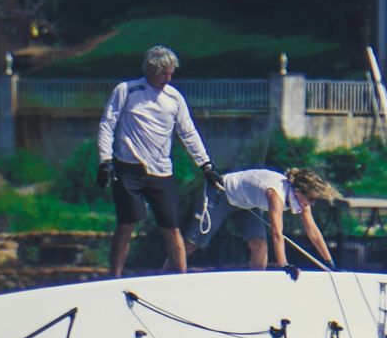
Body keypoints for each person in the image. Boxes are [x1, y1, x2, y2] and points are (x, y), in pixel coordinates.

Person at [96, 45, 221, 276]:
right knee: (127, 223)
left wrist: (206, 165)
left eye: (171, 73)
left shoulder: (174, 97)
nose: (169, 77)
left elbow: (188, 132)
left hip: (161, 171)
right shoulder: (127, 90)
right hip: (128, 169)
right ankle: (114, 276)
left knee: (171, 227)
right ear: (152, 70)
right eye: (164, 73)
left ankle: (181, 276)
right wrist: (105, 160)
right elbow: (108, 124)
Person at [185, 167, 338, 270]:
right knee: (192, 244)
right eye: (311, 199)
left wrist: (330, 263)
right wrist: (284, 265)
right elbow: (277, 234)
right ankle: (168, 275)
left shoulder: (303, 202)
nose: (311, 203)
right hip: (222, 193)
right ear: (297, 191)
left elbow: (314, 232)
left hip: (247, 203)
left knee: (259, 246)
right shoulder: (276, 194)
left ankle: (255, 289)